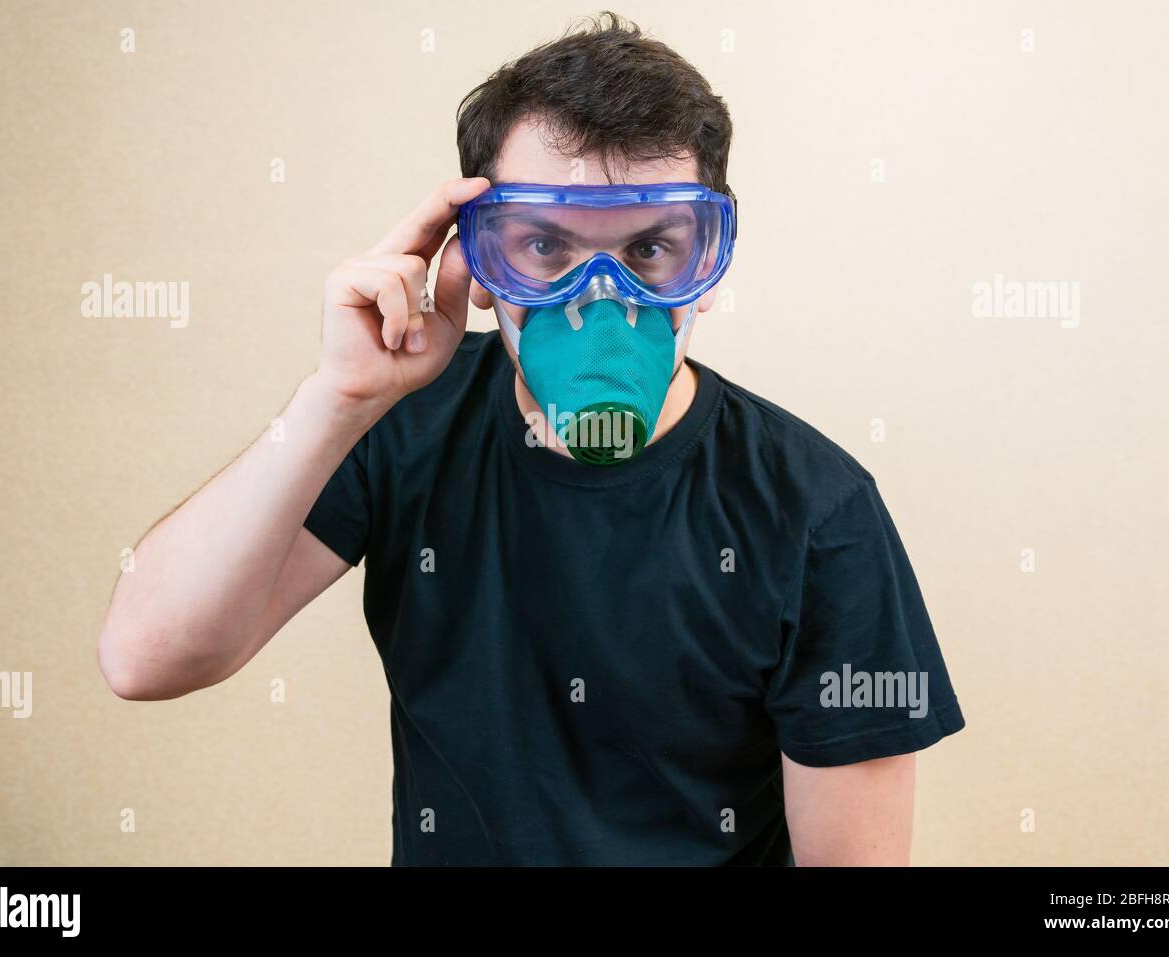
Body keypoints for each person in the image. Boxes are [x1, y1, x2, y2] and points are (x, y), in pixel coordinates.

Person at [97, 13, 965, 866]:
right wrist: (335, 398)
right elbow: (143, 657)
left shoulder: (818, 513)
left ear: (706, 264)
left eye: (652, 248)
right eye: (544, 246)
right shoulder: (402, 422)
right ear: (477, 259)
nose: (599, 296)